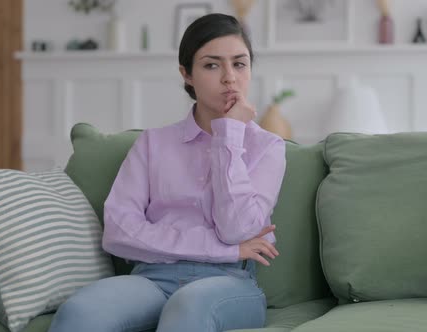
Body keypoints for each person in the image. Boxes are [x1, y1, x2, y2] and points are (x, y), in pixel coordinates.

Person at [48, 13, 286, 332]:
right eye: (212, 65)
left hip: (229, 284)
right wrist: (222, 249)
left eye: (240, 64)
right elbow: (119, 232)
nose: (230, 77)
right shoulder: (152, 144)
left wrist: (230, 136)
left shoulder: (267, 147)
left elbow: (237, 230)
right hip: (152, 280)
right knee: (79, 312)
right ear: (186, 73)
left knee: (186, 308)